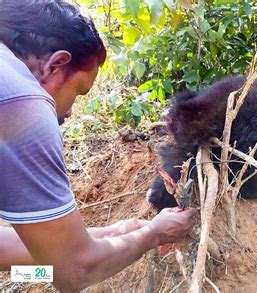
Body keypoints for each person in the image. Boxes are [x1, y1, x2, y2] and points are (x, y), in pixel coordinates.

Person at [0, 0, 198, 291]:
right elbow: (72, 273)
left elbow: (22, 257)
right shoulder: (23, 104)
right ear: (56, 64)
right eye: (80, 92)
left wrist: (111, 233)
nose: (68, 112)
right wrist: (152, 236)